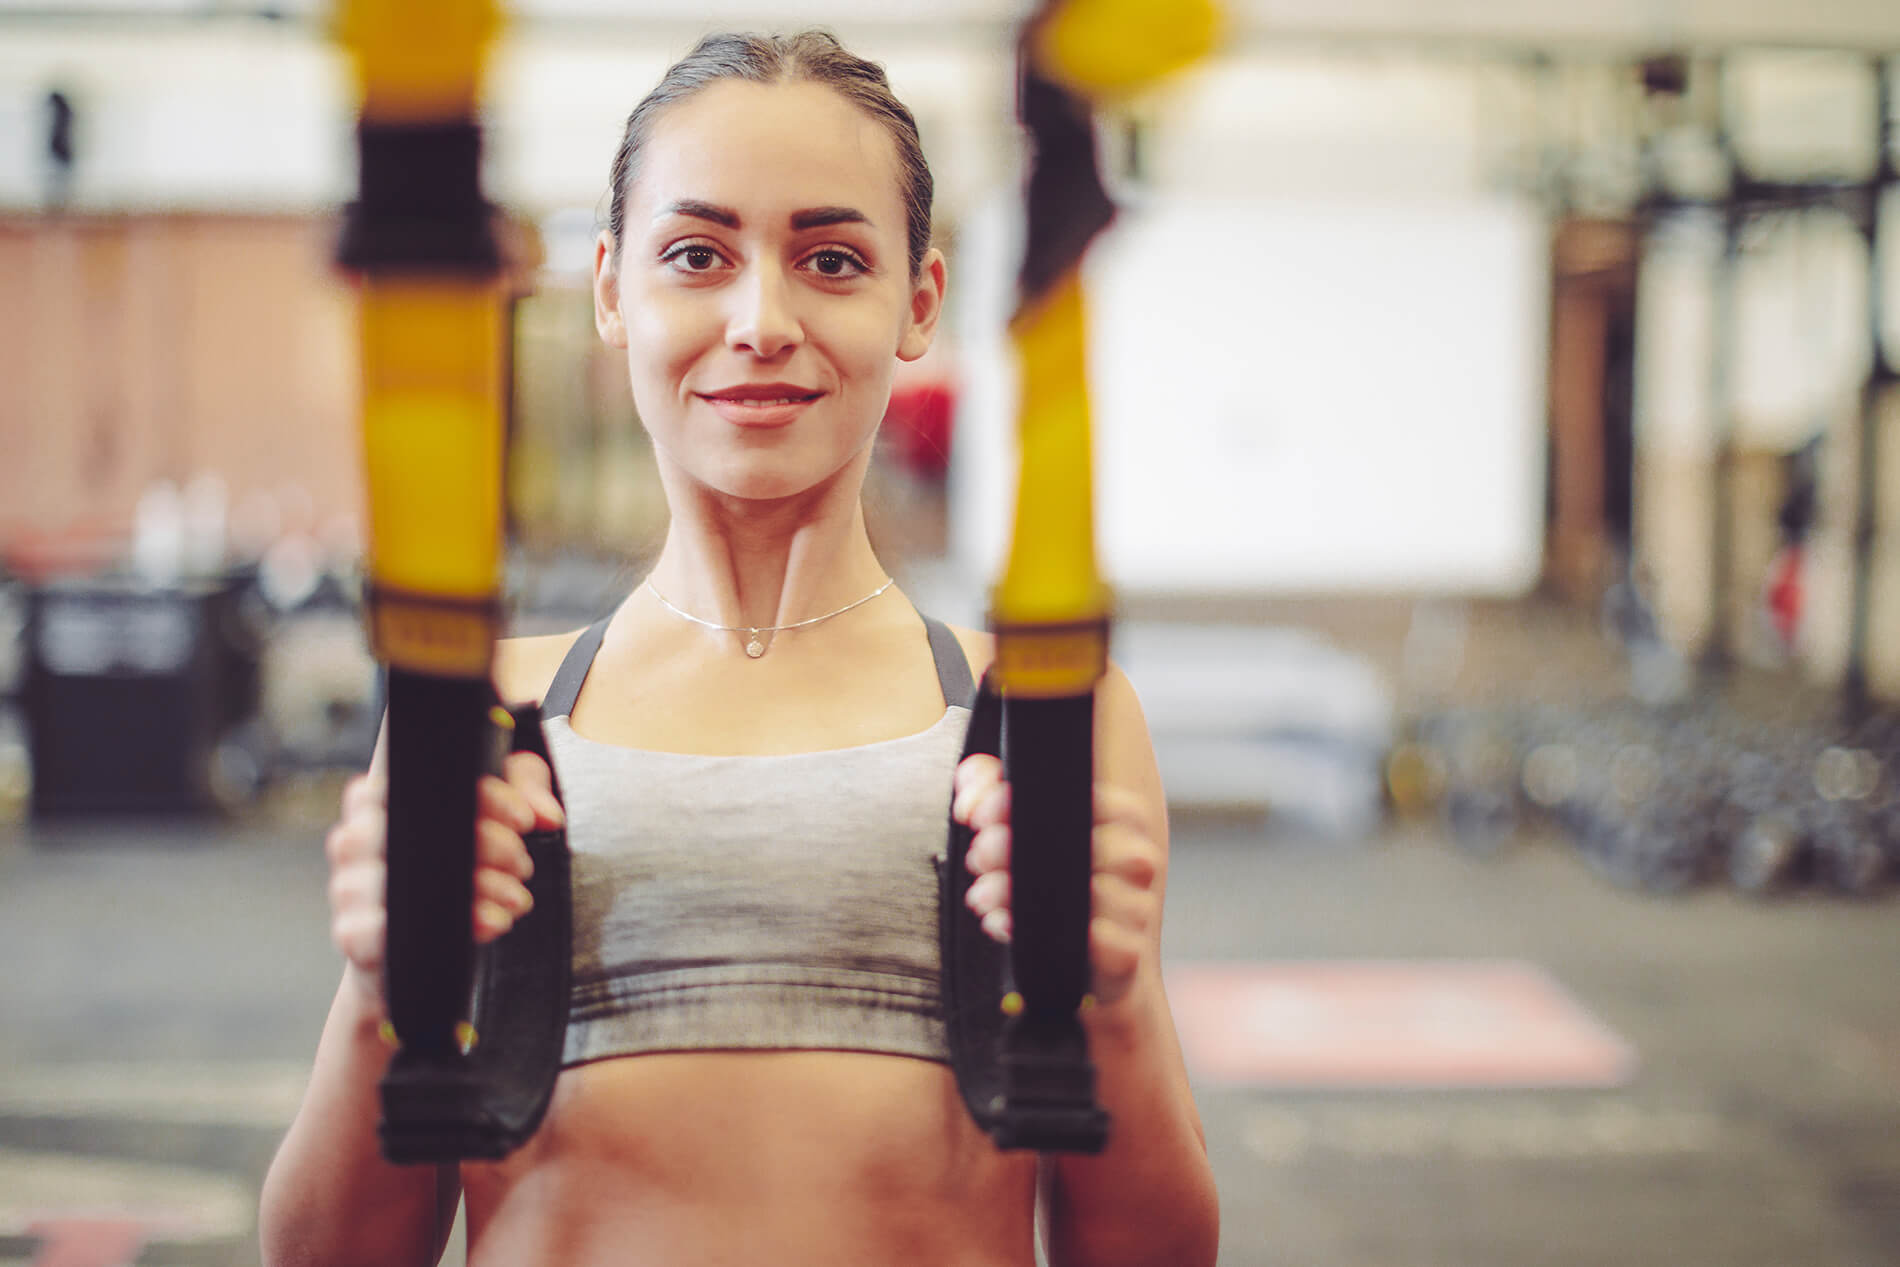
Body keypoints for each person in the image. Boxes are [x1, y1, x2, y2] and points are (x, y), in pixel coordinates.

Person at [260, 30, 1218, 1267]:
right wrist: (379, 997)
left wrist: (1120, 1004)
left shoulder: (1046, 716)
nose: (761, 321)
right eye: (696, 255)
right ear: (612, 289)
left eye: (829, 259)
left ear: (919, 300)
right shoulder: (487, 712)